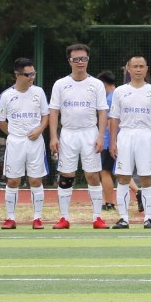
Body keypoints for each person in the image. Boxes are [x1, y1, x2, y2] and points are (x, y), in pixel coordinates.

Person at [48, 42, 110, 229]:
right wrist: (53, 136)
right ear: (70, 61)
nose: (80, 62)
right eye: (76, 59)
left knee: (92, 175)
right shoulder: (60, 84)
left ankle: (97, 217)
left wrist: (101, 136)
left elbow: (102, 112)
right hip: (68, 134)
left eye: (84, 59)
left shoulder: (96, 84)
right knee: (66, 175)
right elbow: (54, 111)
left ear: (88, 60)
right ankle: (64, 218)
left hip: (89, 133)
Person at [109, 55, 151, 229]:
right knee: (123, 177)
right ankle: (124, 218)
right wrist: (112, 142)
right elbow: (114, 118)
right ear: (129, 69)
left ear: (146, 69)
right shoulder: (120, 91)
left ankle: (148, 218)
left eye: (142, 66)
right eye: (135, 66)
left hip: (146, 136)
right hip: (125, 135)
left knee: (146, 178)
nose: (138, 69)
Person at [0, 59, 49, 230]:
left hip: (35, 143)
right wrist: (14, 133)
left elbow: (45, 115)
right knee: (13, 181)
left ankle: (37, 218)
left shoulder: (38, 93)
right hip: (15, 143)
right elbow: (0, 122)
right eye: (28, 74)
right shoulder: (6, 96)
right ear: (17, 75)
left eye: (33, 73)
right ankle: (10, 218)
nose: (32, 77)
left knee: (35, 179)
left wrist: (40, 129)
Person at [96, 71, 120, 213]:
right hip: (117, 139)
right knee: (119, 172)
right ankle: (137, 192)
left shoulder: (110, 99)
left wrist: (112, 141)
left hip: (109, 141)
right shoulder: (119, 93)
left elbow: (111, 122)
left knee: (105, 172)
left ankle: (109, 202)